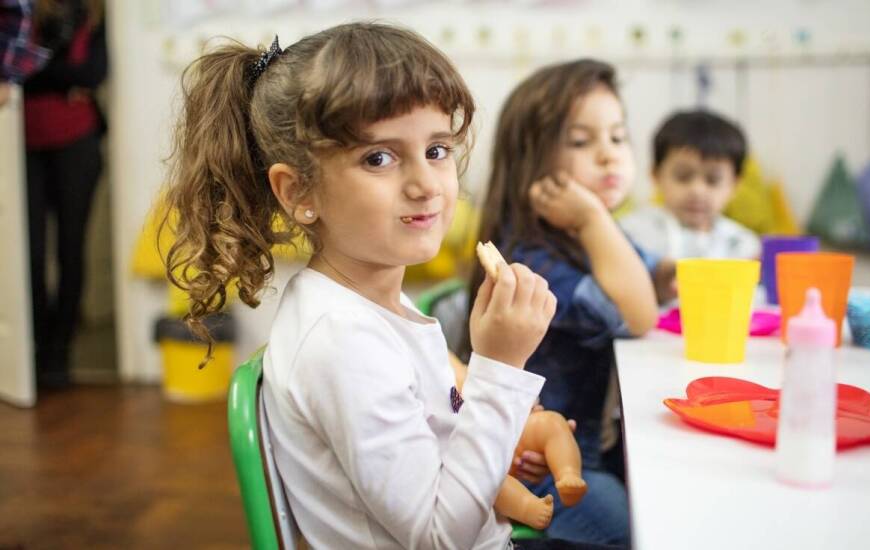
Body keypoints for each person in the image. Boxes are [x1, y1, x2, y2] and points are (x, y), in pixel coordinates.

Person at [163, 23, 621, 550]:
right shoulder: (343, 342)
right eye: (378, 158)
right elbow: (439, 538)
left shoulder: (380, 303)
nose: (426, 184)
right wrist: (500, 367)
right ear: (297, 191)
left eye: (438, 150)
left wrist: (502, 434)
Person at [464, 59, 669, 546]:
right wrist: (596, 219)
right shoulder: (533, 261)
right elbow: (639, 316)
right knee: (638, 525)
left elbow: (652, 276)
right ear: (531, 162)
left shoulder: (584, 235)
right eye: (581, 142)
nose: (609, 156)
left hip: (591, 443)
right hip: (540, 470)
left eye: (618, 138)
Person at [23, 0, 106, 387]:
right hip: (22, 148)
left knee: (70, 251)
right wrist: (63, 79)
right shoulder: (17, 17)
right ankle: (33, 352)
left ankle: (59, 354)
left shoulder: (89, 17)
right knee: (30, 255)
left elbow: (93, 73)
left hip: (78, 146)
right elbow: (20, 74)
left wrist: (41, 72)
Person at [619, 109, 760, 260]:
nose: (697, 190)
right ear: (656, 175)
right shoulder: (630, 234)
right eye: (683, 177)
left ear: (735, 185)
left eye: (713, 180)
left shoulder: (744, 245)